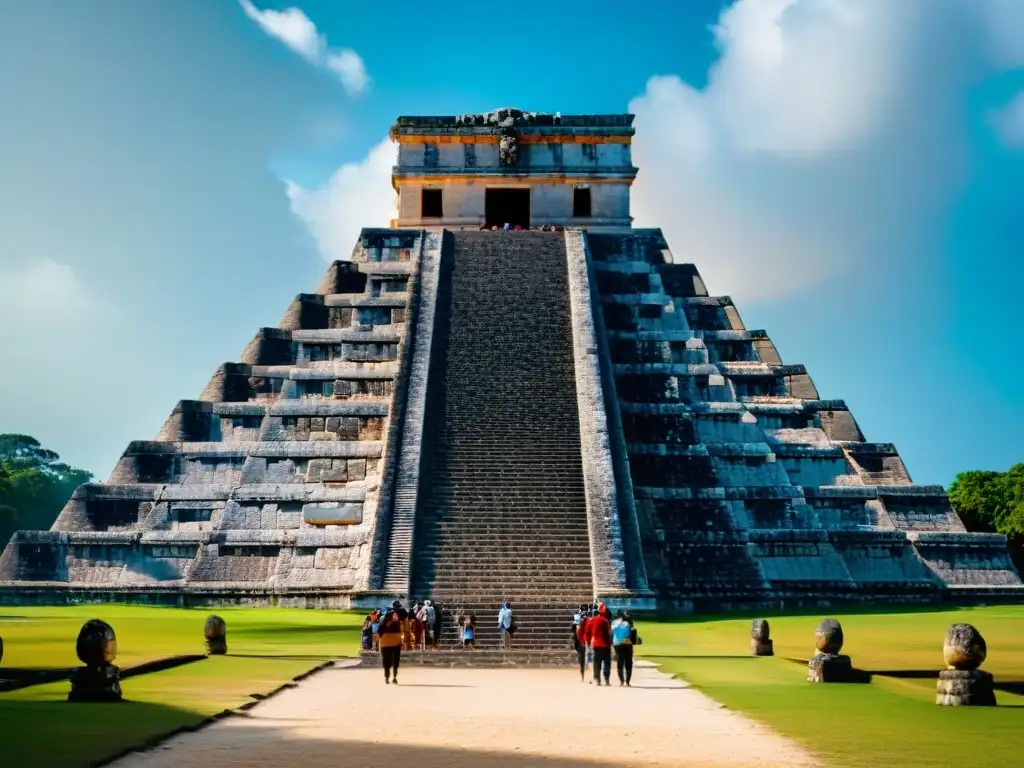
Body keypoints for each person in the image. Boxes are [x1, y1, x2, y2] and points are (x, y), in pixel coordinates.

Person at [378, 600, 408, 684]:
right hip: (396, 640)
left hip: (385, 641)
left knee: (386, 659)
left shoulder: (385, 615)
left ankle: (387, 677)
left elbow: (380, 628)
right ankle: (394, 677)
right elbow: (405, 627)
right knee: (395, 659)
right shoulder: (403, 613)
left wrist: (380, 638)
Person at [587, 602, 613, 686]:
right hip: (605, 644)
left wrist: (589, 640)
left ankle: (597, 679)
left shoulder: (593, 620)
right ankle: (607, 679)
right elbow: (609, 633)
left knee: (597, 662)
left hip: (596, 644)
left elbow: (588, 631)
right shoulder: (605, 621)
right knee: (606, 662)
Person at [611, 610, 635, 686]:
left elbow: (612, 633)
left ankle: (621, 681)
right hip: (627, 643)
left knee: (620, 661)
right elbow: (632, 633)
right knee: (628, 662)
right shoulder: (628, 622)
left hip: (617, 643)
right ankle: (627, 682)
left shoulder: (614, 622)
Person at [572, 604, 588, 682]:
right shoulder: (587, 617)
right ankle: (584, 675)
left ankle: (583, 675)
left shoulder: (577, 617)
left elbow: (573, 628)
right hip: (583, 640)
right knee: (584, 658)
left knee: (582, 658)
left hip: (579, 640)